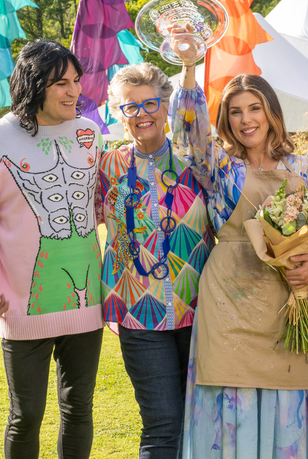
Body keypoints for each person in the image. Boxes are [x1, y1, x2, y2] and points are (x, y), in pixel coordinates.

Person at [170, 42, 308, 458]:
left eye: (254, 108)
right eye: (235, 111)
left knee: (292, 402)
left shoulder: (304, 168)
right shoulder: (217, 166)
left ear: (272, 113)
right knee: (234, 410)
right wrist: (190, 65)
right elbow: (188, 129)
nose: (246, 120)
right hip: (229, 301)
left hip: (291, 301)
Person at [0, 40, 104, 459]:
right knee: (28, 415)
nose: (73, 91)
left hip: (88, 304)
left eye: (76, 80)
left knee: (79, 409)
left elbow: (102, 206)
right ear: (34, 86)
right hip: (22, 307)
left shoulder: (90, 133)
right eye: (60, 83)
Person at [97, 62, 213, 459]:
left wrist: (188, 65)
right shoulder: (105, 167)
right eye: (131, 107)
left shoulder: (195, 160)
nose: (142, 113)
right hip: (138, 314)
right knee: (162, 425)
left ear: (166, 107)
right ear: (118, 112)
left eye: (151, 103)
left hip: (201, 310)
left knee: (203, 421)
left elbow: (195, 118)